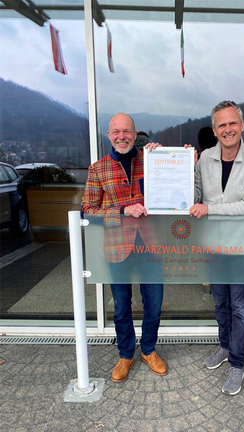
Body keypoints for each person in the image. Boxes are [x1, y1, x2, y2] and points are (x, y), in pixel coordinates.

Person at [81, 113, 167, 382]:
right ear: (109, 135)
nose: (122, 136)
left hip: (152, 247)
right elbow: (87, 210)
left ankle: (149, 350)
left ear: (135, 133)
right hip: (117, 247)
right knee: (121, 307)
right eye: (116, 132)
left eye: (127, 131)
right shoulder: (98, 169)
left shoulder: (152, 161)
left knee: (154, 305)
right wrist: (121, 210)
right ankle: (126, 354)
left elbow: (178, 190)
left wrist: (172, 158)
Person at [189, 101, 244, 395]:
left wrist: (208, 210)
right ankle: (224, 347)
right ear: (215, 130)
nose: (228, 129)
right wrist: (178, 162)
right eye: (222, 125)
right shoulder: (205, 158)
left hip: (243, 246)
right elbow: (192, 196)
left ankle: (237, 363)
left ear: (242, 125)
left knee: (239, 308)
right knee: (220, 304)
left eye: (232, 123)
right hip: (213, 246)